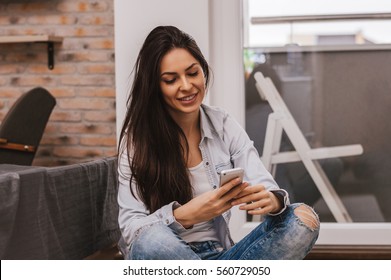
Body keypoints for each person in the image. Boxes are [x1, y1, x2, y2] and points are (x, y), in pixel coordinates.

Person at [117, 25, 319, 260]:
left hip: (222, 257)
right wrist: (184, 215)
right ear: (155, 87)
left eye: (192, 73)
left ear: (203, 71)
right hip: (167, 256)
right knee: (150, 240)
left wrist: (272, 200)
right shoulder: (137, 141)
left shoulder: (222, 123)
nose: (186, 86)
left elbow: (265, 183)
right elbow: (132, 230)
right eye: (171, 80)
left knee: (302, 218)